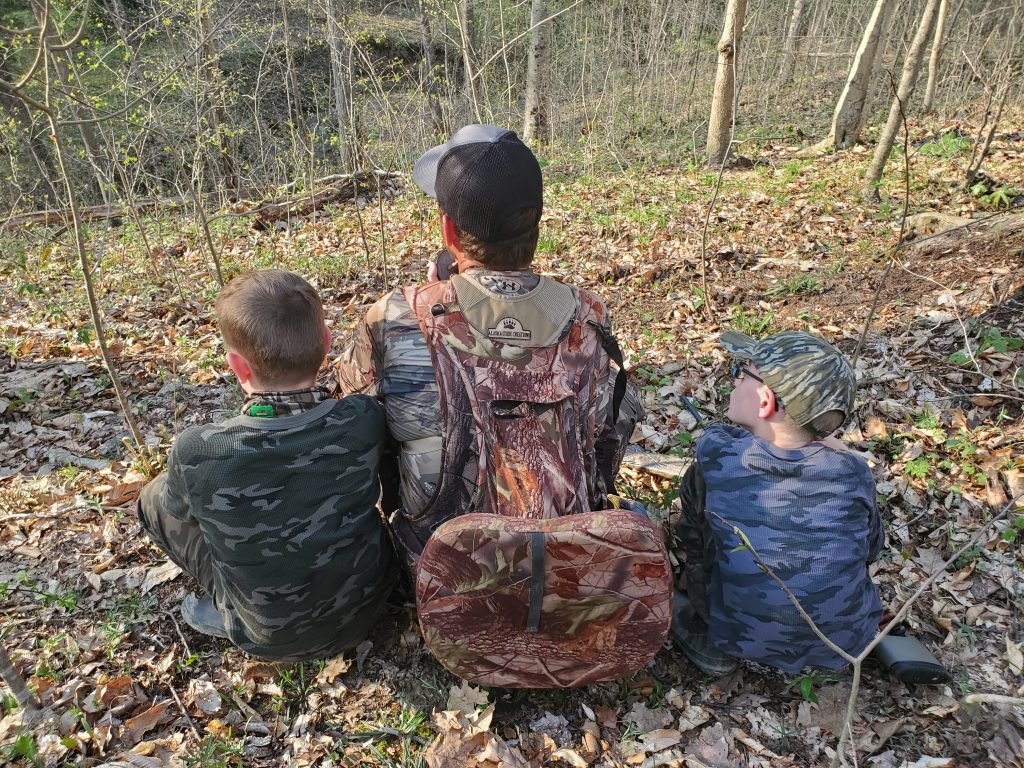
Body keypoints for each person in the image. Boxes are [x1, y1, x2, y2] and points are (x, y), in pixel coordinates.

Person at [337, 124, 642, 568]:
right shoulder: (588, 315)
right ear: (535, 228)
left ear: (449, 232)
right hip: (566, 563)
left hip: (441, 576)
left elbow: (349, 409)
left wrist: (437, 303)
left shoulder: (396, 315)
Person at [137, 269, 398, 661]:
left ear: (238, 367)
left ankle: (230, 608)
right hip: (369, 608)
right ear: (326, 344)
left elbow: (176, 512)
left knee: (152, 499)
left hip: (262, 637)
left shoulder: (198, 450)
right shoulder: (363, 418)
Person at [674, 330, 883, 675]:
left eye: (743, 373)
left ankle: (706, 631)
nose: (736, 381)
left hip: (738, 639)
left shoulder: (718, 457)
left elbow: (714, 439)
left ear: (766, 401)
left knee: (698, 495)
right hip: (844, 647)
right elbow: (872, 549)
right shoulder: (854, 472)